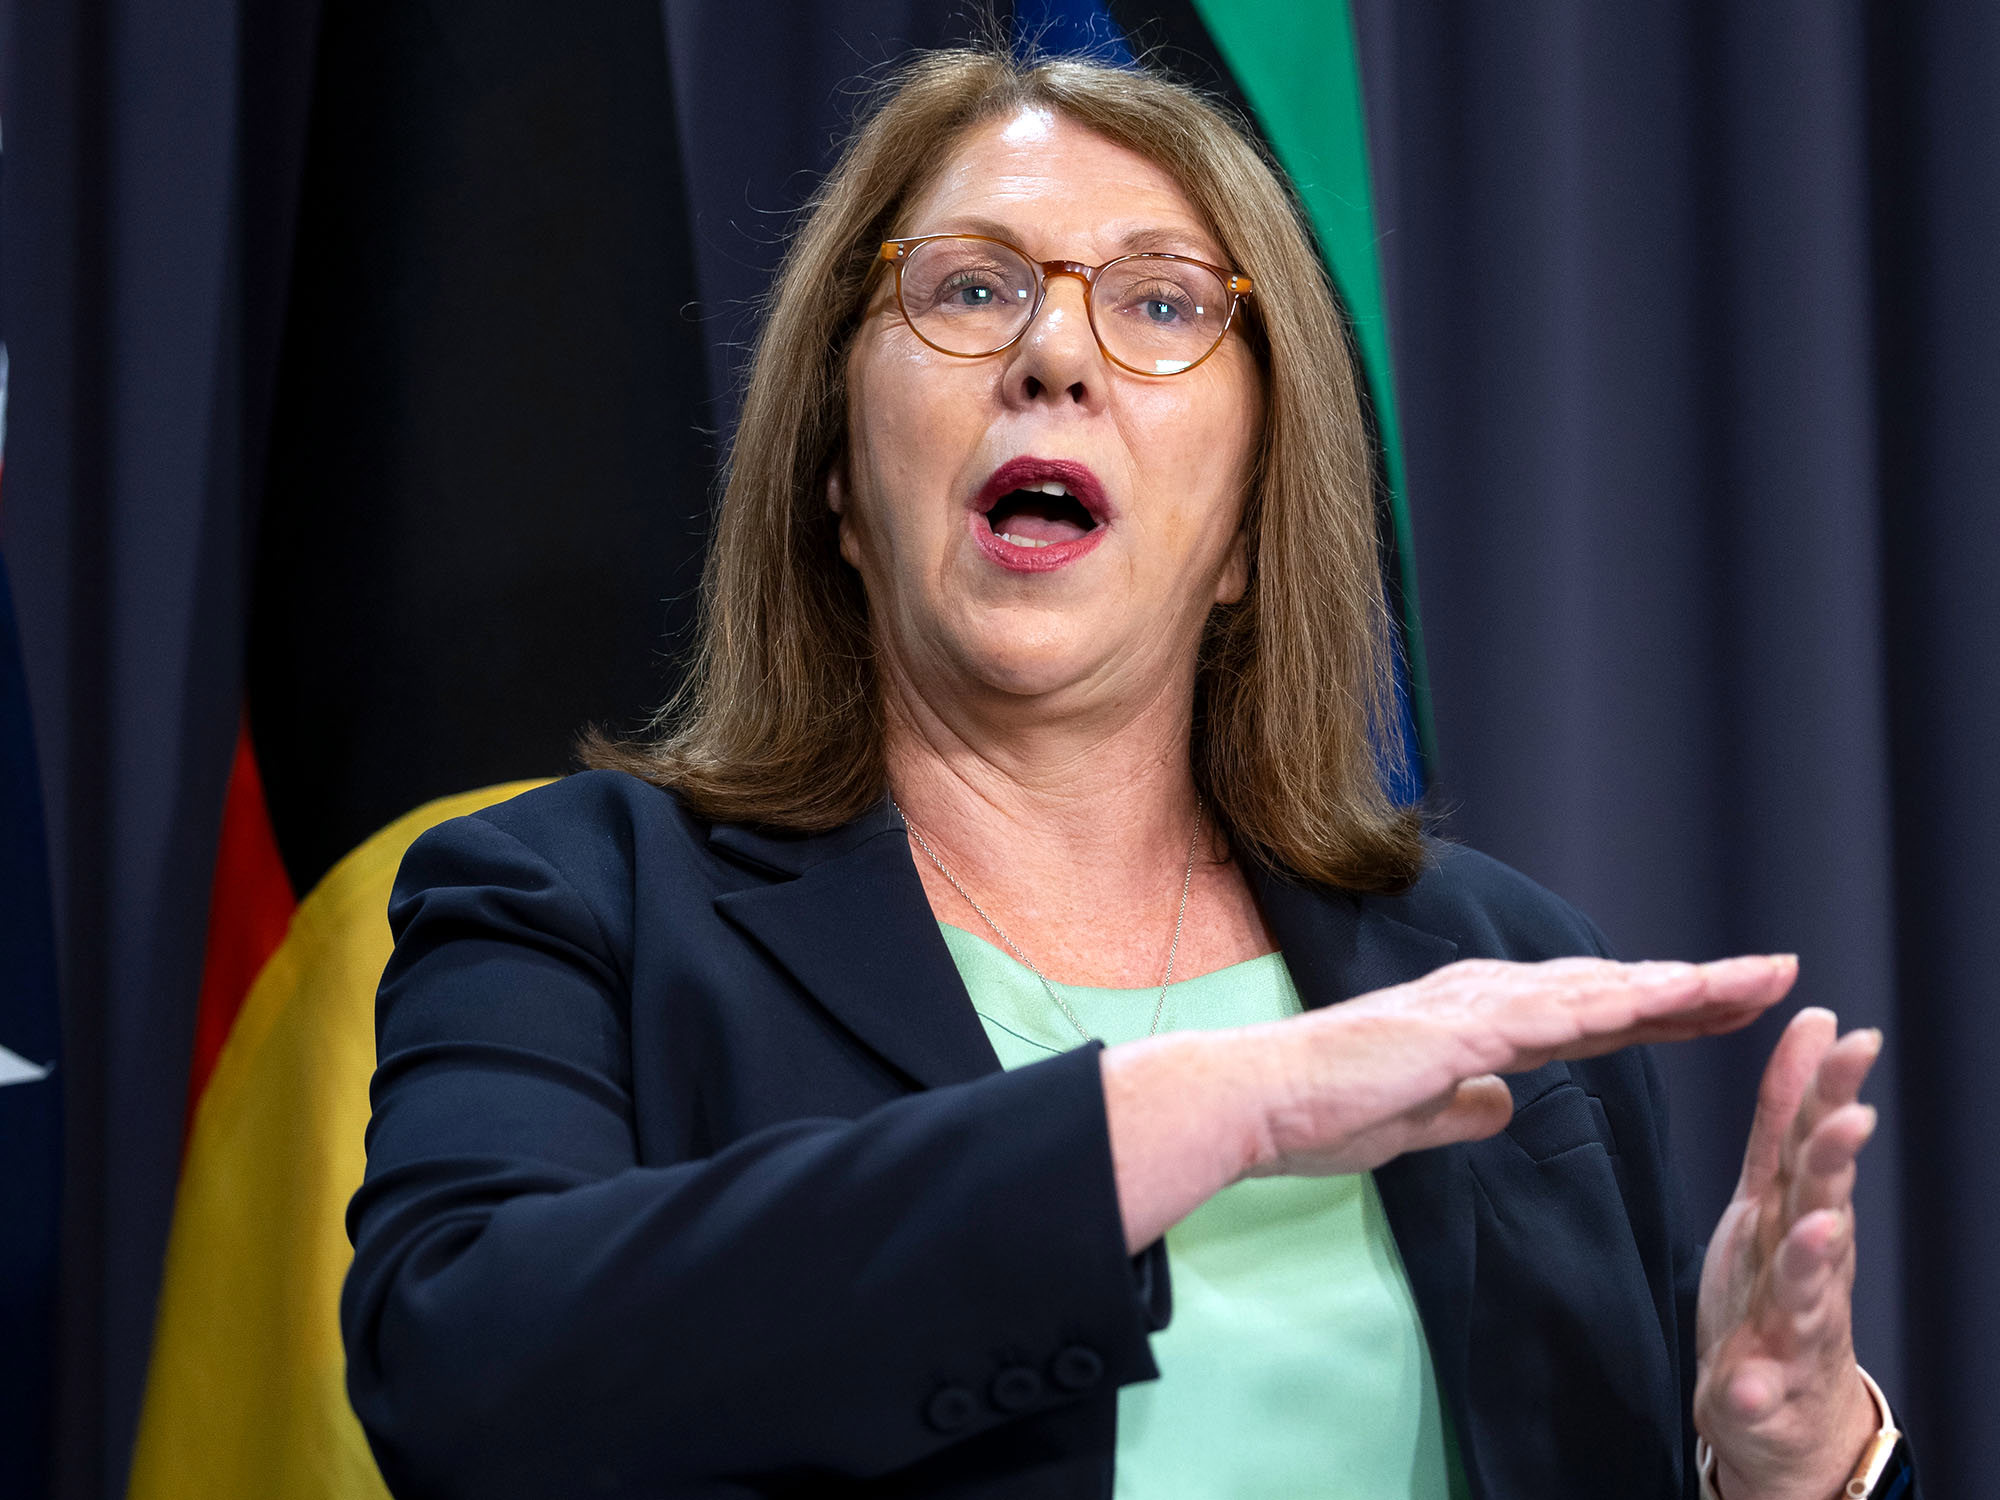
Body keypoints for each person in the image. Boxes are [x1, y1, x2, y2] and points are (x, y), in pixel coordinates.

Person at [340, 46, 1918, 1500]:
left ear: (1243, 529)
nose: (1054, 356)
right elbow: (463, 1373)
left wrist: (1786, 1469)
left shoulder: (1507, 978)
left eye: (1162, 305)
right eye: (967, 289)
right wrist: (1211, 1106)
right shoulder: (574, 905)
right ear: (832, 474)